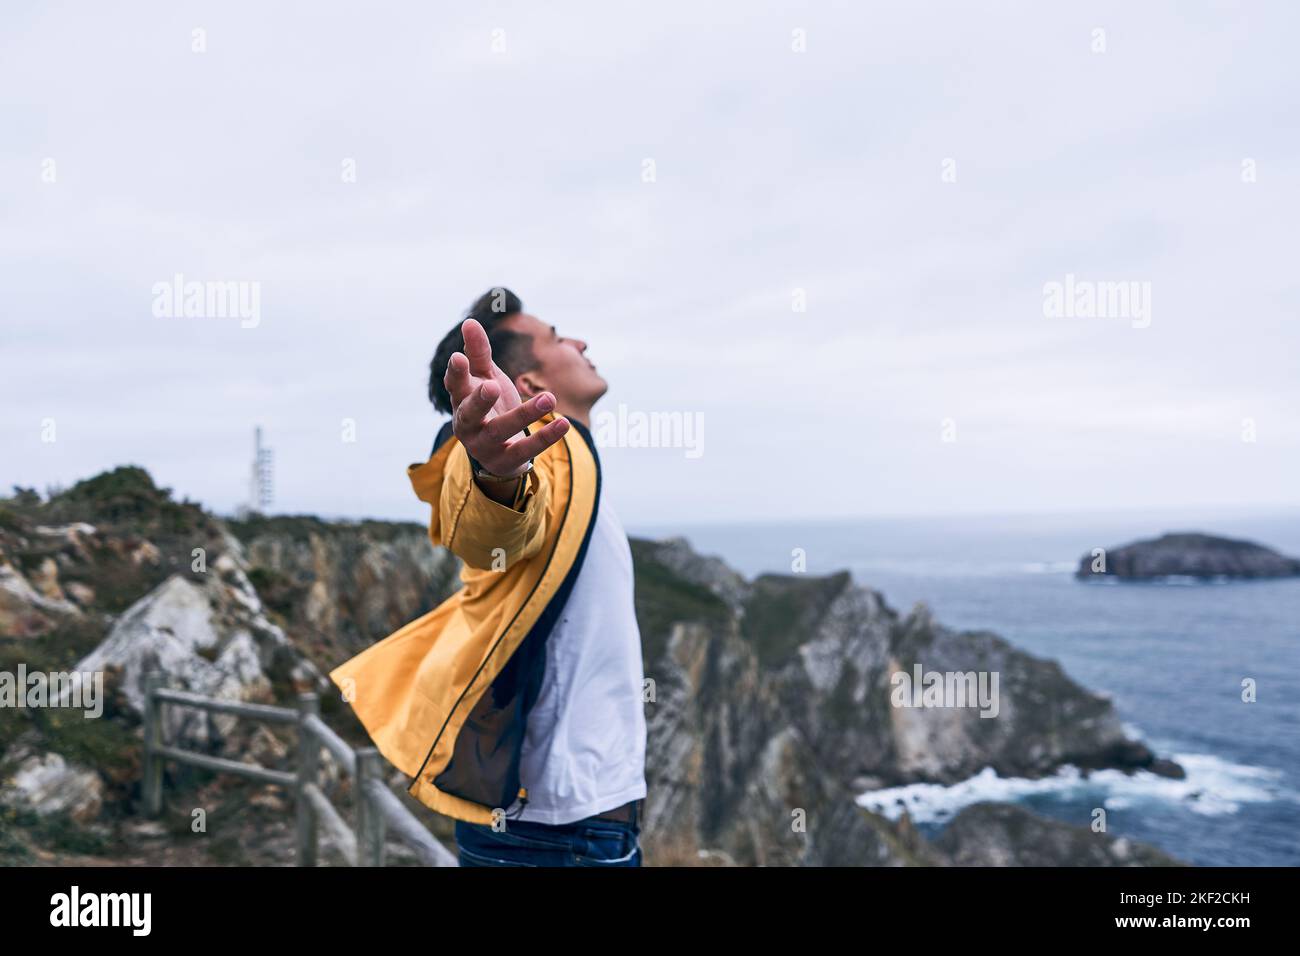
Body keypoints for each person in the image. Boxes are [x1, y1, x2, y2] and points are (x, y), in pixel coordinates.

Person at [329, 287, 647, 866]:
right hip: (553, 831)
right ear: (524, 386)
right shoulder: (534, 453)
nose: (580, 341)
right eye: (556, 337)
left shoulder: (573, 461)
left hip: (573, 823)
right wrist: (495, 473)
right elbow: (490, 531)